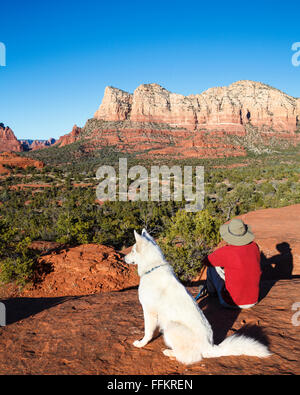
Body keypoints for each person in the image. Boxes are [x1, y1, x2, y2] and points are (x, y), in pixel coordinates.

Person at [202, 218, 261, 309]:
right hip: (253, 300)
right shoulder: (254, 247)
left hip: (231, 302)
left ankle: (211, 293)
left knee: (212, 267)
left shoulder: (226, 251)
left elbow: (206, 261)